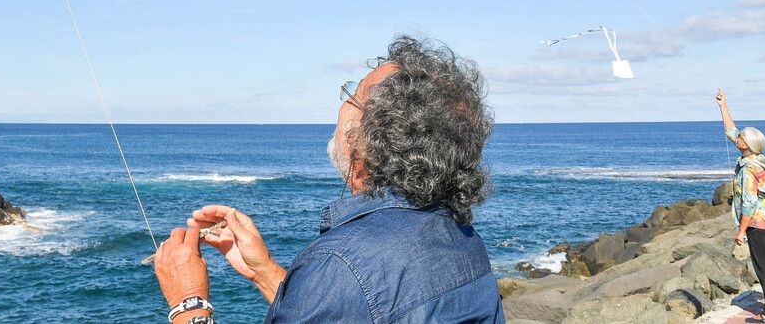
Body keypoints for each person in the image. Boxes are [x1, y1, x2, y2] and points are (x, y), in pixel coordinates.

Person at [151, 36, 505, 323]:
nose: (341, 104)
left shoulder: (343, 266)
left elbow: (362, 292)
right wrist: (264, 272)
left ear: (366, 137)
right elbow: (367, 309)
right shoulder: (462, 239)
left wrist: (189, 303)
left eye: (352, 95)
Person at [715, 89, 765, 324]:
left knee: (764, 269)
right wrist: (723, 105)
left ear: (746, 145)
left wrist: (741, 231)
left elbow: (748, 204)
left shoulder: (748, 170)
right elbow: (731, 130)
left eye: (741, 137)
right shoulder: (760, 160)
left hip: (758, 224)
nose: (736, 137)